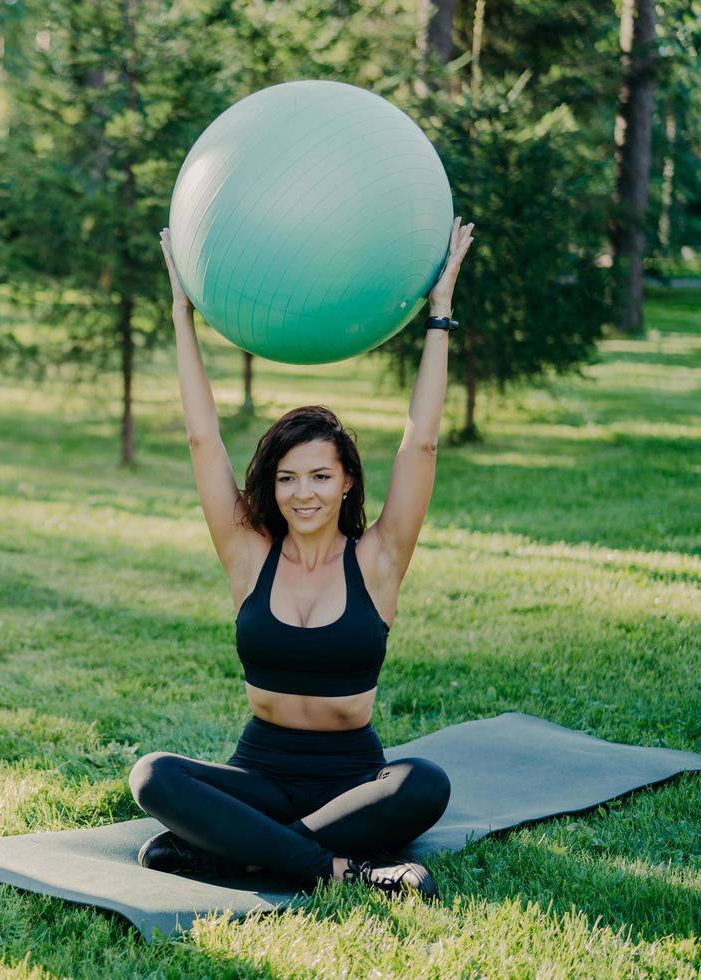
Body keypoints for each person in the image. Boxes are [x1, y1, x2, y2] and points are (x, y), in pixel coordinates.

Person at [129, 217, 477, 899]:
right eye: (287, 477)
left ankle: (241, 854)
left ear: (347, 480)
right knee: (153, 776)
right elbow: (203, 441)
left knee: (425, 784)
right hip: (259, 775)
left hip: (353, 782)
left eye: (319, 475)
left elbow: (421, 445)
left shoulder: (379, 557)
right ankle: (337, 868)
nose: (303, 492)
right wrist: (181, 311)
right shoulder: (247, 552)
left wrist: (439, 316)